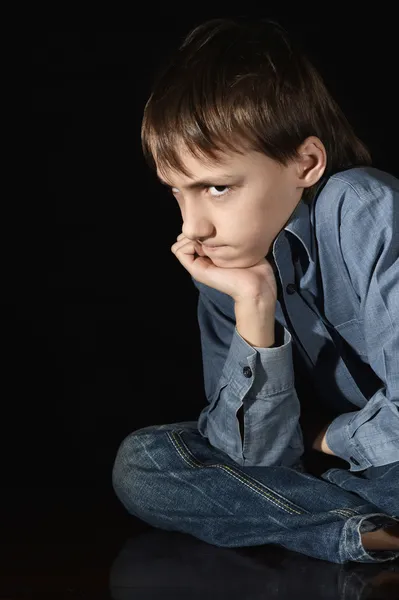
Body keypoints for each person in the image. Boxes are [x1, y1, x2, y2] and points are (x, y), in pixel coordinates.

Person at [112, 18, 399, 563]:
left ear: (305, 163)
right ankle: (363, 530)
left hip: (377, 459)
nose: (194, 227)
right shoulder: (231, 269)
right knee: (144, 463)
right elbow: (251, 460)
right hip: (349, 468)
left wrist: (320, 439)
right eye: (178, 194)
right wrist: (254, 305)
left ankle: (331, 521)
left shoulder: (363, 208)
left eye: (217, 187)